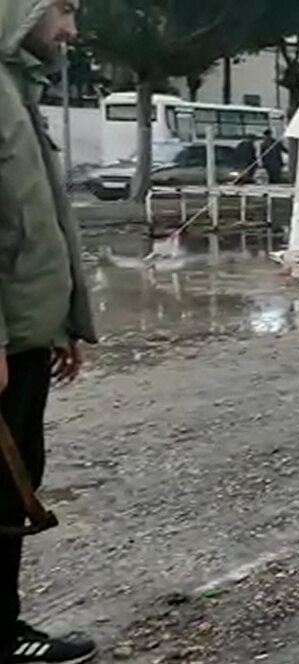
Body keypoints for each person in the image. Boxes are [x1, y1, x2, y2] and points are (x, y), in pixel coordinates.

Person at [0, 0, 99, 660]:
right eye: (64, 9)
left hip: (26, 337)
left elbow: (37, 222)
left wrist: (63, 322)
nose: (71, 30)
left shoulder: (16, 89)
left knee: (14, 482)